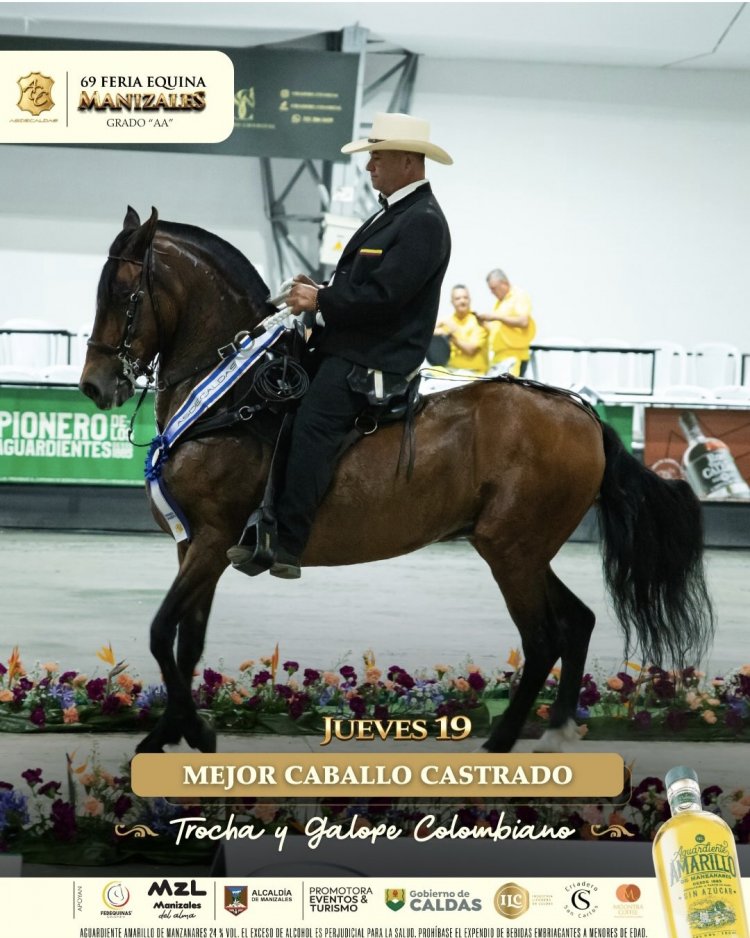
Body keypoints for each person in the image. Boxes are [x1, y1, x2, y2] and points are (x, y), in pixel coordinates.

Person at [227, 112, 452, 579]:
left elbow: (387, 298)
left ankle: (288, 542)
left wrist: (322, 300)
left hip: (377, 357)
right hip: (352, 346)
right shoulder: (394, 214)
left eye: (377, 158)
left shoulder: (423, 221)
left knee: (313, 422)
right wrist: (322, 292)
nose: (369, 167)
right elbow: (364, 286)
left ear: (408, 162)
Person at [477, 269, 536, 377]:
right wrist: (483, 323)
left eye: (493, 288)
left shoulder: (519, 296)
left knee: (509, 387)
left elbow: (523, 321)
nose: (492, 292)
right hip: (499, 357)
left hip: (514, 357)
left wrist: (495, 316)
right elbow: (499, 329)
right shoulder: (500, 303)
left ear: (504, 283)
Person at [434, 284, 489, 374]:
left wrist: (451, 337)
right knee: (430, 373)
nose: (462, 301)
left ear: (470, 300)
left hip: (474, 374)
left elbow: (471, 351)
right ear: (452, 302)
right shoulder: (448, 321)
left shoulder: (479, 322)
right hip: (451, 371)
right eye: (458, 298)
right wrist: (440, 324)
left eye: (465, 297)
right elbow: (425, 335)